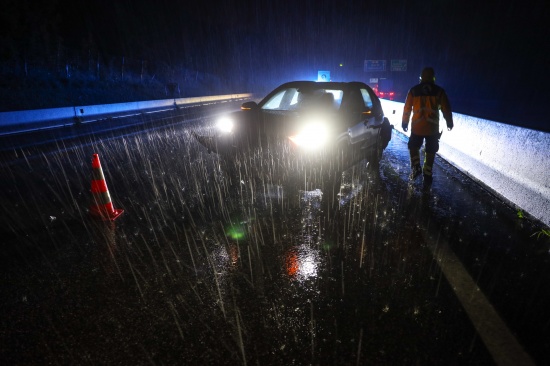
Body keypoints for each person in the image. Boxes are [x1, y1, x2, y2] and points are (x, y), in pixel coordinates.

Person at [401, 67, 453, 182]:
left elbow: (407, 108)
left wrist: (404, 122)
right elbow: (446, 108)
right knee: (431, 150)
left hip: (417, 127)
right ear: (433, 77)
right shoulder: (439, 91)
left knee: (413, 146)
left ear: (421, 77)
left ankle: (416, 167)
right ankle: (427, 173)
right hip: (432, 128)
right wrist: (449, 121)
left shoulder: (413, 91)